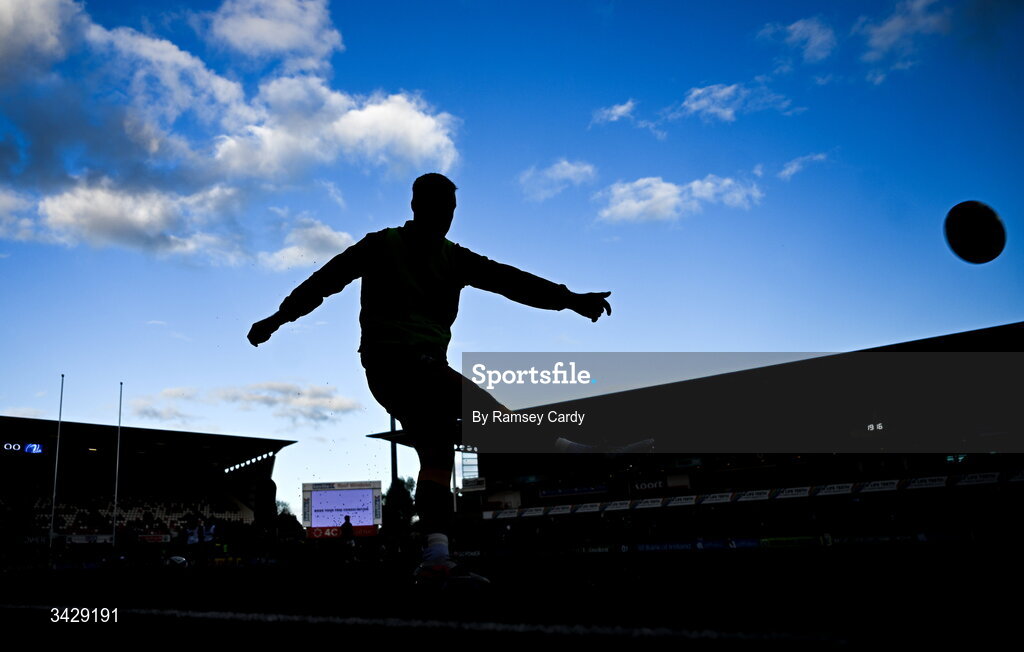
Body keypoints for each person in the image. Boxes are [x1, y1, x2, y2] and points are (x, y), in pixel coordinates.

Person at [247, 173, 611, 584]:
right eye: (440, 210)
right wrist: (278, 319)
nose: (447, 219)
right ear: (416, 206)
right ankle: (561, 448)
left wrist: (571, 300)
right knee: (471, 400)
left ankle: (436, 557)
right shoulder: (381, 245)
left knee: (437, 456)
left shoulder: (454, 257)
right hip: (394, 363)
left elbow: (512, 282)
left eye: (451, 212)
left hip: (420, 370)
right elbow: (323, 283)